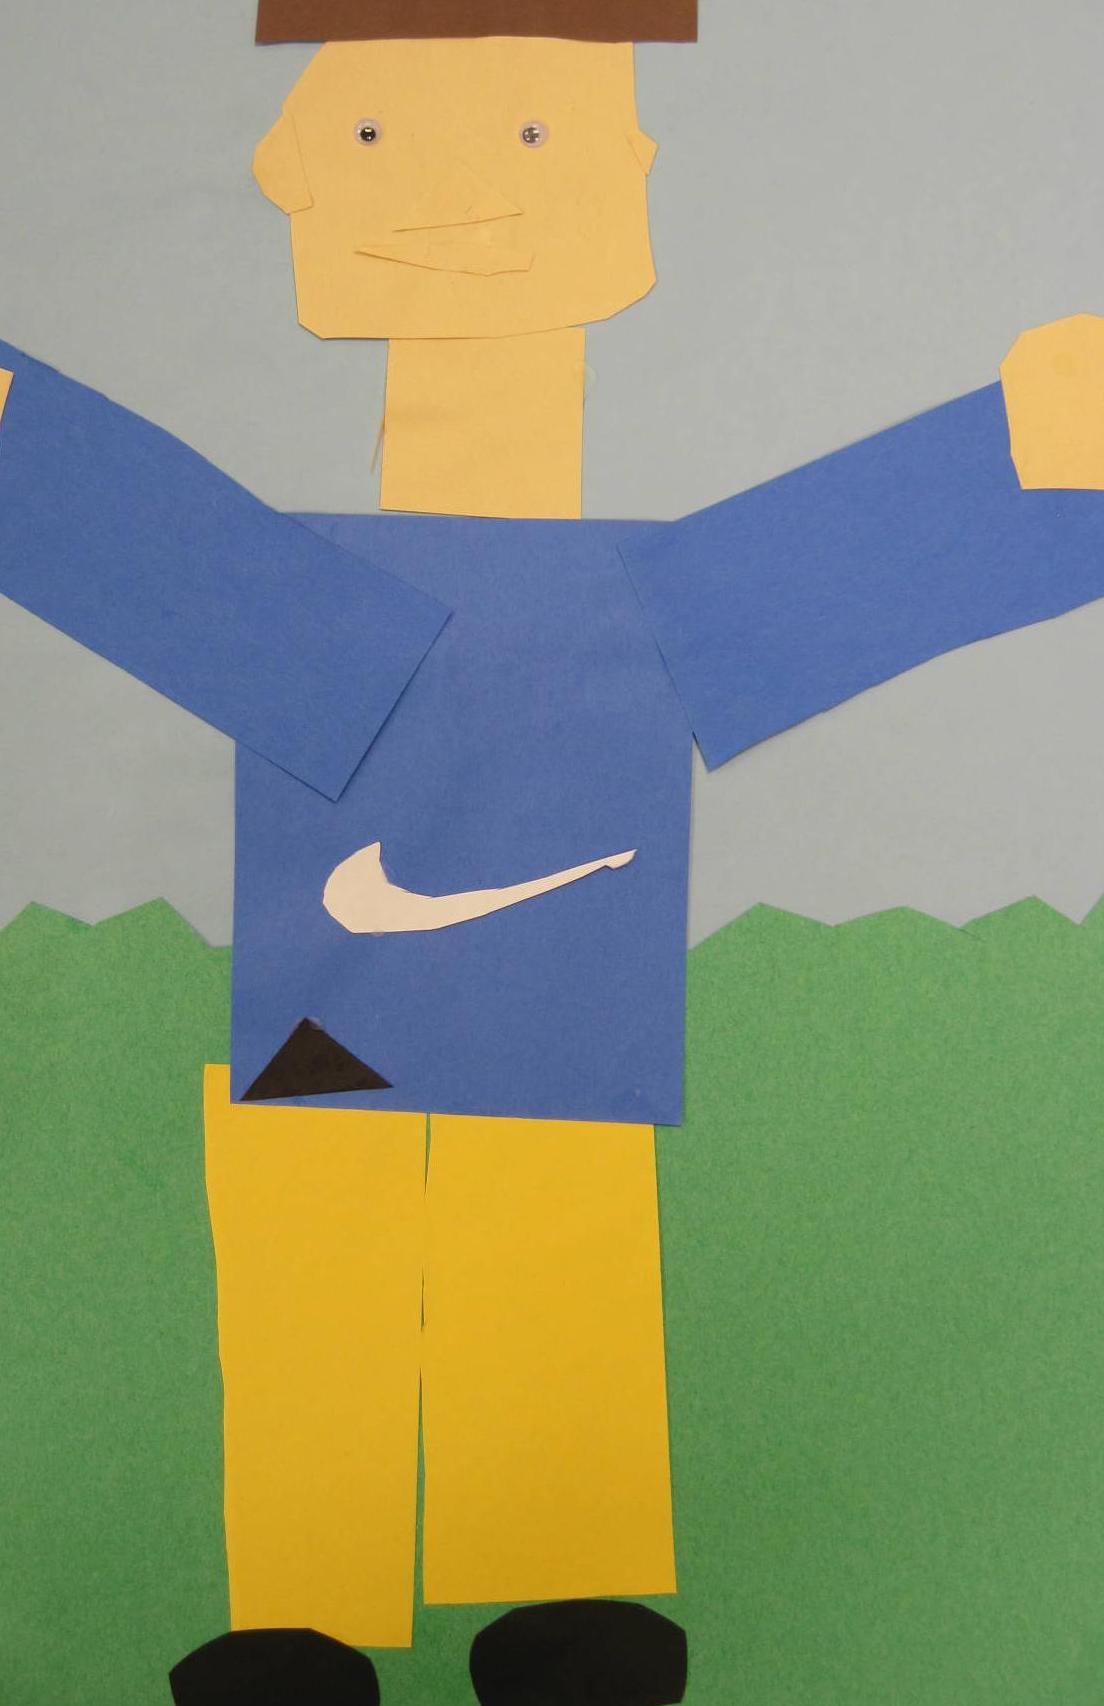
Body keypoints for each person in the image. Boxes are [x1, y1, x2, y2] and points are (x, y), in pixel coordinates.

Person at [2, 0, 1104, 1693]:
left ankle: (552, 1578)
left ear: (629, 168)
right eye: (374, 135)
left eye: (530, 134)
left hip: (565, 984)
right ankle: (307, 1595)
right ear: (289, 170)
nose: (457, 184)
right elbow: (193, 574)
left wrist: (1024, 462)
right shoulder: (345, 606)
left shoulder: (615, 609)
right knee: (322, 1235)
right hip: (330, 992)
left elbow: (772, 595)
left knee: (551, 1221)